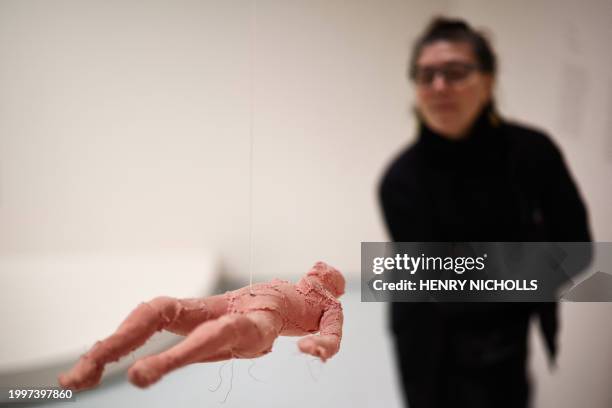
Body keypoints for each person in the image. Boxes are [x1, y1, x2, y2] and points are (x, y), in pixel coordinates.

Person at [378, 17, 591, 408]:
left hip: (505, 344)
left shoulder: (533, 153)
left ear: (489, 81)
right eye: (426, 76)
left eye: (455, 72)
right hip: (427, 342)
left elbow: (578, 248)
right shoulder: (400, 179)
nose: (439, 86)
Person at [58, 261, 344, 390]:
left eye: (326, 271)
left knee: (230, 326)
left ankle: (161, 363)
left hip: (262, 323)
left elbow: (332, 337)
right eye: (317, 267)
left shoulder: (330, 305)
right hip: (231, 300)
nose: (319, 268)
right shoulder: (286, 283)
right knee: (162, 306)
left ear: (334, 285)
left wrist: (319, 344)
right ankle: (95, 360)